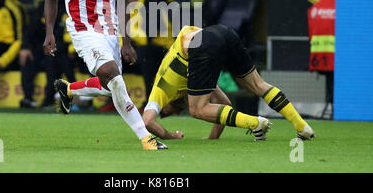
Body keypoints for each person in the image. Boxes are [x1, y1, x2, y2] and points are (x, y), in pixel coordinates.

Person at [59, 25, 315, 141]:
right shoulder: (196, 83)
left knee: (197, 109)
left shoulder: (160, 90)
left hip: (199, 46)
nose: (169, 114)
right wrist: (213, 138)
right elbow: (224, 105)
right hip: (222, 33)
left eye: (168, 114)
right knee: (258, 85)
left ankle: (257, 122)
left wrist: (170, 135)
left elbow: (147, 121)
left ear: (169, 105)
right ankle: (302, 126)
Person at [43, 0, 167, 150]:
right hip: (82, 30)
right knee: (114, 77)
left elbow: (123, 3)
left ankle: (68, 89)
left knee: (110, 84)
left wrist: (126, 41)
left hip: (109, 30)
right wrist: (49, 32)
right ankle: (146, 138)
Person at [307, 0, 337, 119]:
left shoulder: (315, 9)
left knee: (330, 83)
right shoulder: (344, 7)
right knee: (336, 83)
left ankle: (331, 106)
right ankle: (336, 107)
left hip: (320, 56)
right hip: (339, 57)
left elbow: (311, 35)